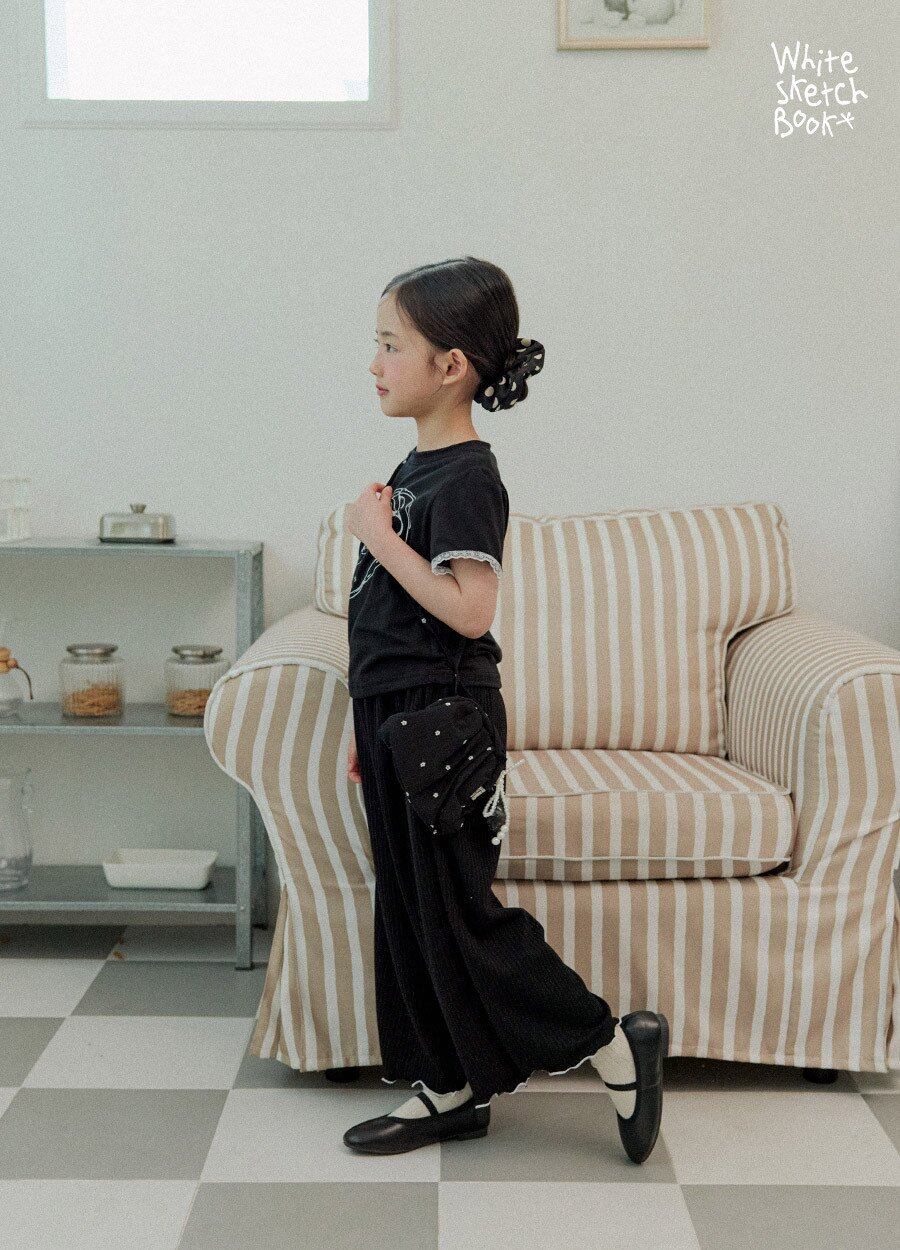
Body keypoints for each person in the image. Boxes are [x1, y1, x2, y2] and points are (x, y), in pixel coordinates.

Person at [342, 256, 668, 1163]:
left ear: (450, 365)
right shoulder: (420, 466)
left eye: (389, 345)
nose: (373, 363)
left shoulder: (467, 478)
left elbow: (470, 610)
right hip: (398, 716)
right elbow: (389, 618)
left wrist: (377, 537)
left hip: (443, 721)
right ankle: (449, 1086)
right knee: (412, 910)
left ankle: (613, 1045)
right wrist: (366, 722)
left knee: (461, 914)